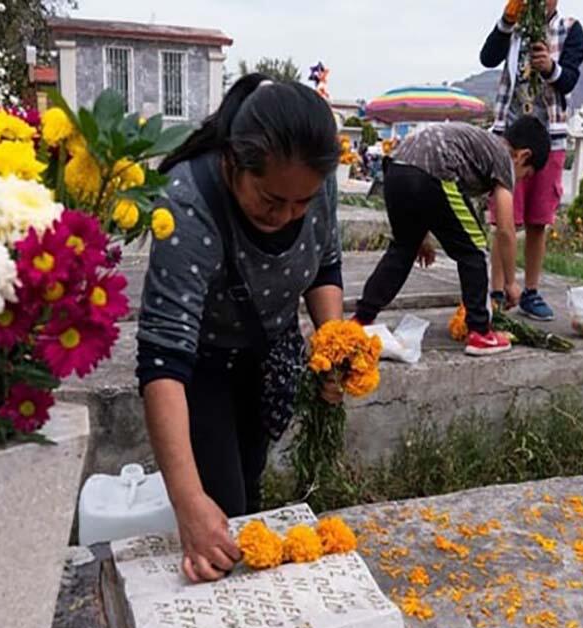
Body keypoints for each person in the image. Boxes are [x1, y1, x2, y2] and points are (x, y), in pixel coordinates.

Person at [136, 73, 344, 583]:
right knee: (216, 508)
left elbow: (325, 266)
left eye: (302, 202)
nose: (290, 214)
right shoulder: (189, 201)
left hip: (267, 353)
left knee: (248, 488)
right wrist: (187, 503)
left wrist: (334, 345)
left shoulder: (314, 181)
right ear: (234, 161)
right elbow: (163, 359)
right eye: (272, 201)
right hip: (200, 363)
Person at [355, 117, 550, 355]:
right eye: (527, 175)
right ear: (523, 156)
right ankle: (480, 332)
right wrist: (510, 283)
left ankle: (361, 319)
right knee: (474, 249)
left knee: (404, 248)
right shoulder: (504, 158)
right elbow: (506, 229)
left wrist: (421, 235)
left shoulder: (480, 144)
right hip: (434, 172)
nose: (521, 180)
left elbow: (426, 189)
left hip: (395, 169)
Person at [480, 0, 583, 320]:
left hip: (548, 139)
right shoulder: (514, 25)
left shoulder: (569, 29)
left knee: (539, 219)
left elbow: (568, 79)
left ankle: (531, 290)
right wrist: (506, 21)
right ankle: (497, 291)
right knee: (503, 215)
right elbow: (488, 57)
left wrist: (549, 68)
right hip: (508, 135)